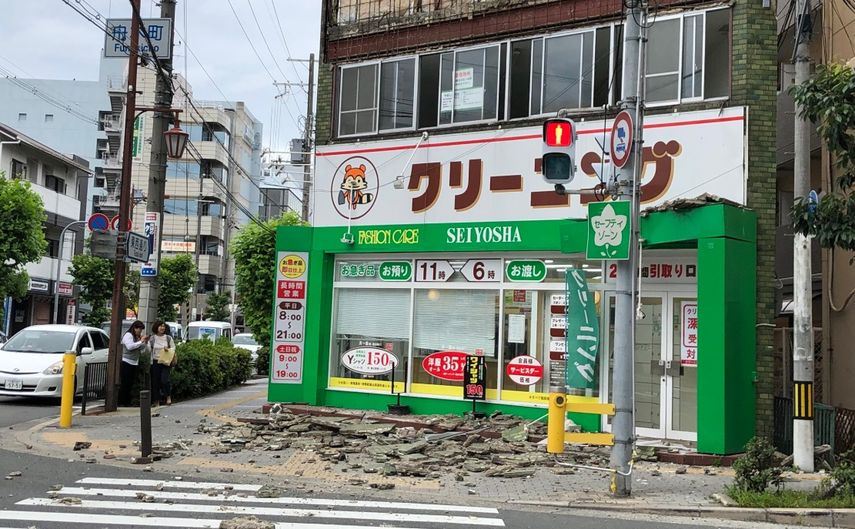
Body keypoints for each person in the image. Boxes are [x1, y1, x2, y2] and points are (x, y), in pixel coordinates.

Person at [119, 320, 149, 407]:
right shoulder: (128, 335)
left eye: (141, 330)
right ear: (135, 328)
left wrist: (145, 342)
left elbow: (141, 349)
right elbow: (130, 346)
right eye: (139, 329)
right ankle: (122, 402)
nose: (140, 331)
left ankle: (127, 401)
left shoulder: (137, 337)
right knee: (125, 383)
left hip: (134, 362)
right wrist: (140, 341)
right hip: (126, 361)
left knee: (130, 383)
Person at [149, 320, 177, 406]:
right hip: (155, 361)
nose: (162, 328)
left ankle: (168, 397)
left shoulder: (168, 338)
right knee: (155, 381)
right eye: (160, 326)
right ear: (156, 327)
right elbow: (149, 350)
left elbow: (173, 348)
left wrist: (168, 349)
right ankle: (156, 400)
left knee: (164, 380)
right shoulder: (152, 338)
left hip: (166, 361)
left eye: (163, 326)